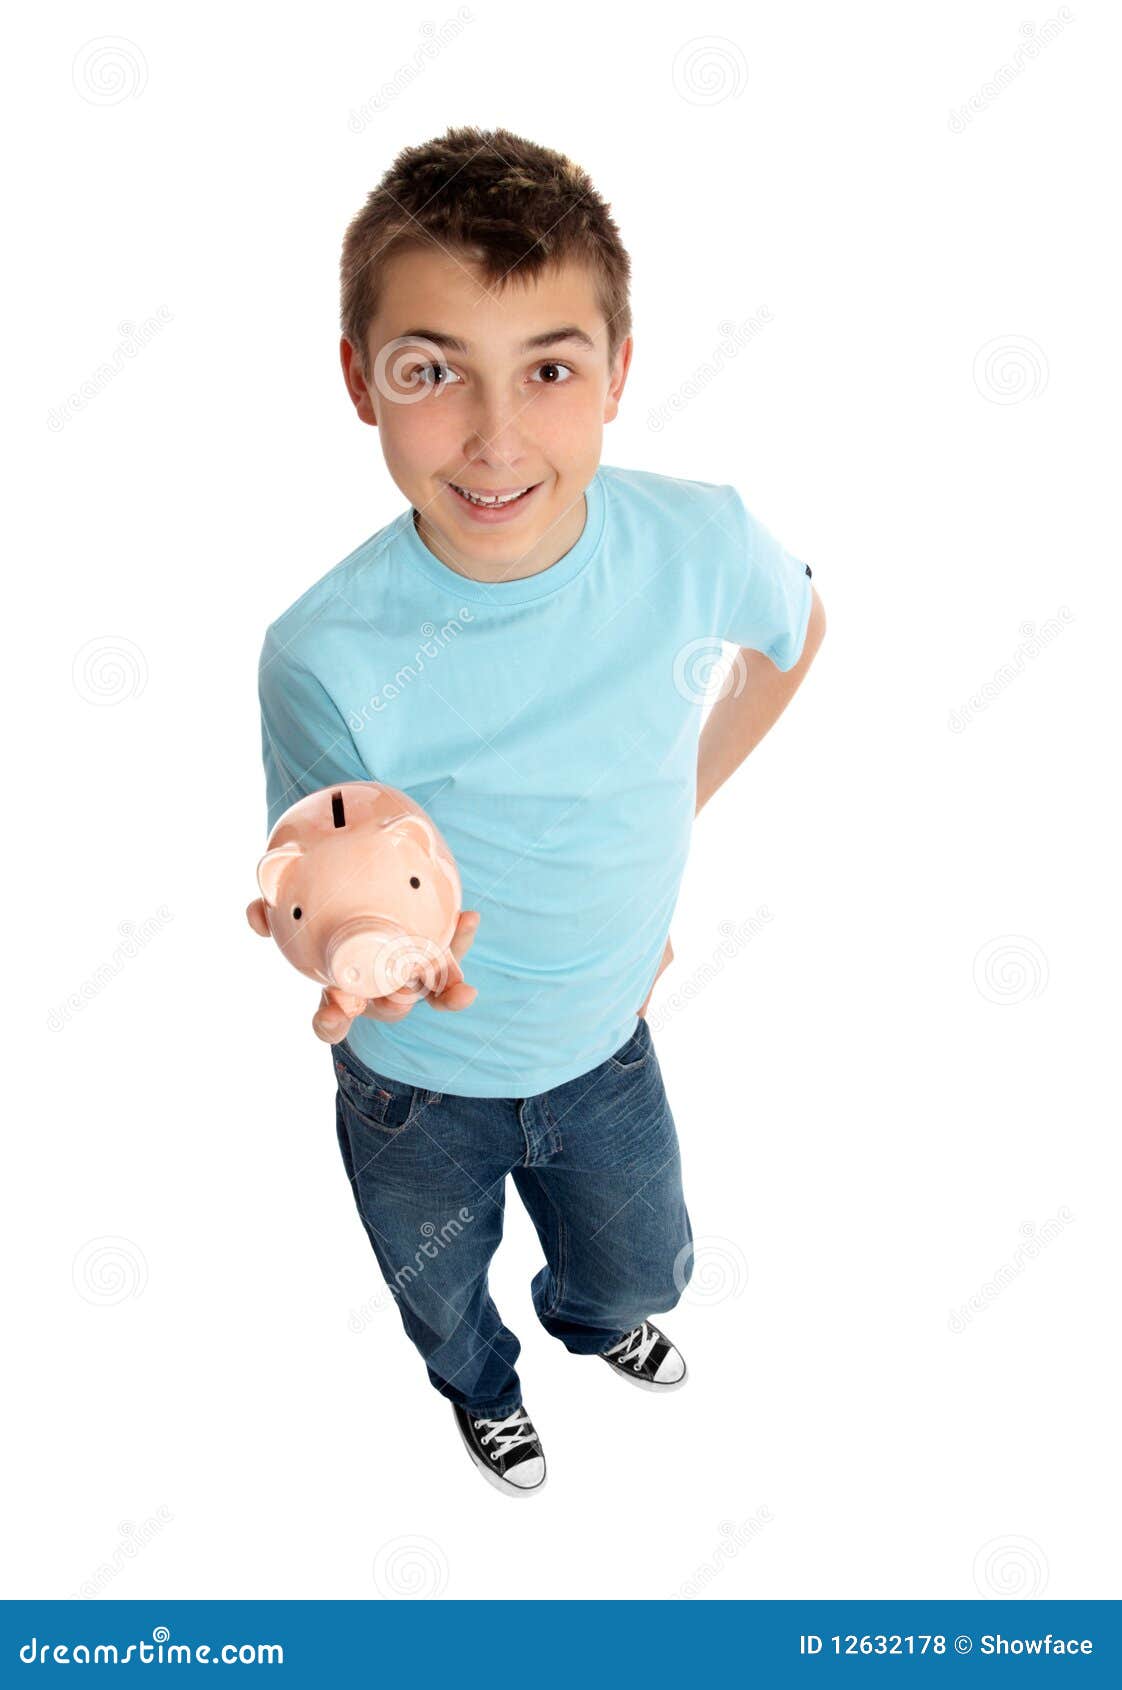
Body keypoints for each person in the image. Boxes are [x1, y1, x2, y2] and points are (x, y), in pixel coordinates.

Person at [251, 125, 826, 1497]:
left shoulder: (697, 545)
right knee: (440, 1287)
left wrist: (675, 808)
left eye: (550, 369)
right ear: (361, 381)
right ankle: (481, 1387)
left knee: (643, 1256)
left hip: (603, 1042)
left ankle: (590, 1315)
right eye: (433, 371)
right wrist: (353, 954)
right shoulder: (320, 652)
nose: (496, 436)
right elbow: (310, 879)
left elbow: (795, 632)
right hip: (412, 1090)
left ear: (618, 372)